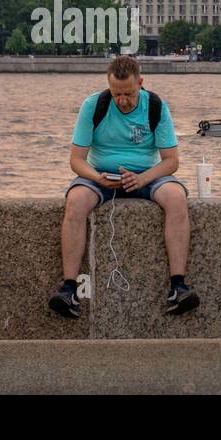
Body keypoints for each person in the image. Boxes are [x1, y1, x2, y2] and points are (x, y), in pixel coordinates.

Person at [48, 55, 199, 318]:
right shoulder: (94, 105)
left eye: (128, 93)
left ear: (141, 83)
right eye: (116, 94)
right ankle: (69, 289)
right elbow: (76, 160)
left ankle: (178, 286)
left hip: (146, 174)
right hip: (101, 175)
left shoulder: (155, 106)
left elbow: (171, 161)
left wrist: (143, 179)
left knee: (176, 198)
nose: (122, 100)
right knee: (75, 202)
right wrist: (95, 177)